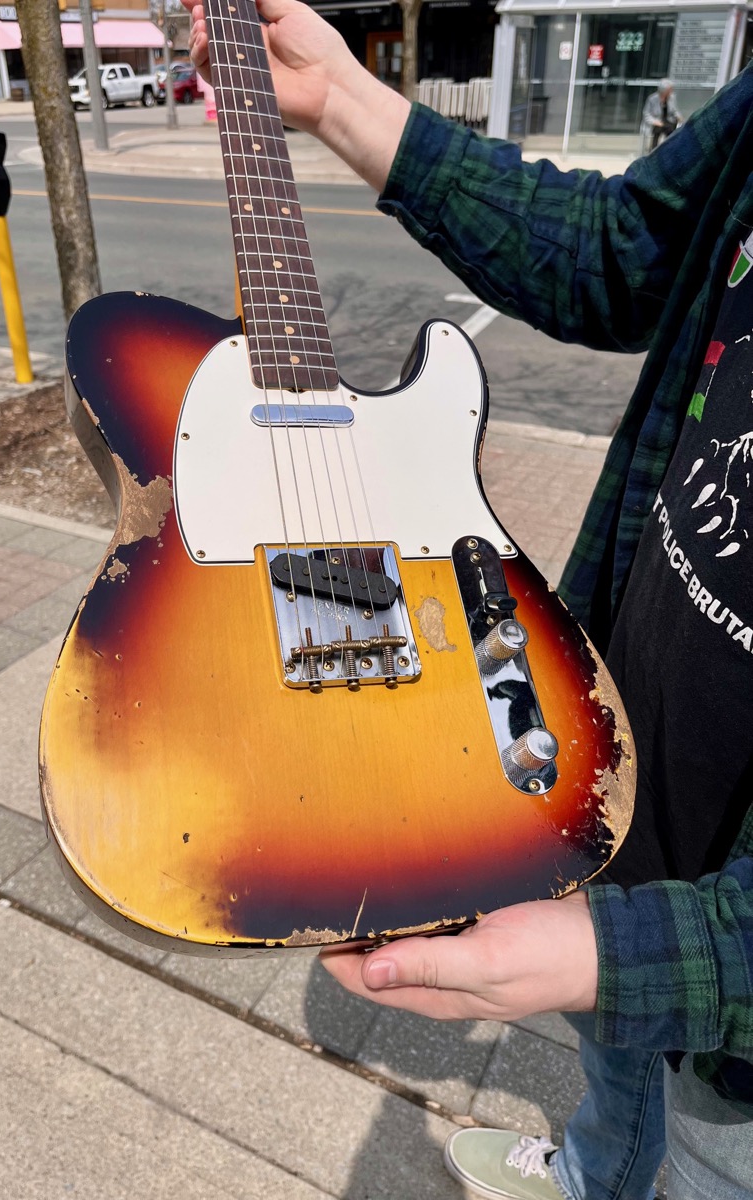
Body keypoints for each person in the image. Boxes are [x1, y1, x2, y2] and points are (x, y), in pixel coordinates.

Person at [184, 2, 753, 1196]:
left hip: (732, 1017)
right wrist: (340, 95)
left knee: (706, 1142)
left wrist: (618, 955)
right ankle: (598, 1172)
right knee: (615, 1081)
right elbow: (626, 246)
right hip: (603, 779)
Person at [641, 78, 682, 151]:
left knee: (672, 129)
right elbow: (646, 113)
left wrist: (678, 116)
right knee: (657, 129)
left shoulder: (672, 98)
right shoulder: (652, 99)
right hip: (656, 121)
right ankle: (653, 150)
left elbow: (674, 110)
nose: (671, 91)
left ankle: (669, 149)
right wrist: (654, 121)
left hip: (668, 120)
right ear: (664, 90)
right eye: (670, 89)